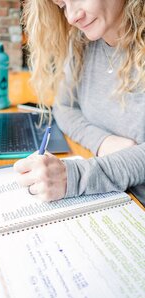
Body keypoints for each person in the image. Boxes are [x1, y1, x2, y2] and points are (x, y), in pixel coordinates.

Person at [14, 0, 145, 205]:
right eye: (62, 5)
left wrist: (74, 177)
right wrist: (102, 141)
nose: (71, 17)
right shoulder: (82, 44)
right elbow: (64, 107)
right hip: (115, 198)